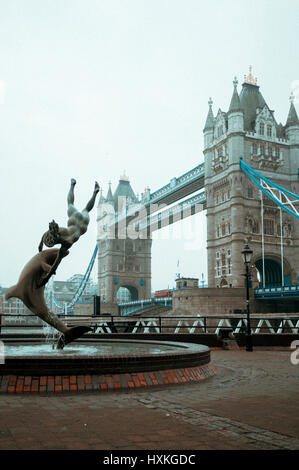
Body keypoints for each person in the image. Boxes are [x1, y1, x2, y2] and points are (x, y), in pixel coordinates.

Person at [38, 178, 99, 286]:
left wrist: (45, 279)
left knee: (85, 210)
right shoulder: (59, 230)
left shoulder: (66, 244)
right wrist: (40, 245)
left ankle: (94, 193)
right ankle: (73, 185)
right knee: (70, 203)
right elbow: (49, 232)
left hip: (82, 226)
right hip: (74, 219)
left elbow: (55, 266)